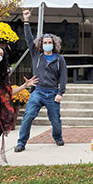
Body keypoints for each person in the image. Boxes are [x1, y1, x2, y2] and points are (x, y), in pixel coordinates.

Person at [15, 9, 68, 152]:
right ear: (41, 44)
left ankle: (58, 138)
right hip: (38, 92)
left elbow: (63, 77)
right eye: (45, 42)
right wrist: (26, 21)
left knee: (56, 121)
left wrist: (60, 93)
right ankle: (21, 142)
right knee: (28, 117)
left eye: (49, 42)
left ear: (54, 44)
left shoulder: (59, 59)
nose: (47, 44)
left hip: (52, 94)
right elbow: (28, 38)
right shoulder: (36, 55)